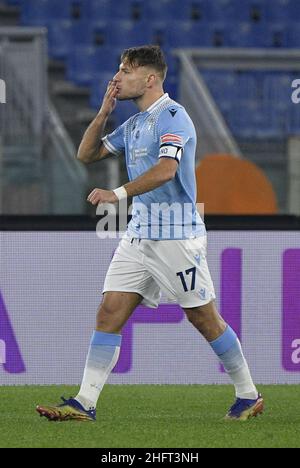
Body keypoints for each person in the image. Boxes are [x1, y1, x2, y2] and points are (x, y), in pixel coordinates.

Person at [36, 45, 263, 422]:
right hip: (140, 234)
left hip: (176, 235)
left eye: (125, 70)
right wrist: (104, 111)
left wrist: (117, 194)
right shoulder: (134, 123)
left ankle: (248, 394)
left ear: (150, 78)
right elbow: (86, 154)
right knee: (110, 311)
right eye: (119, 70)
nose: (117, 77)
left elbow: (166, 171)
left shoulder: (174, 117)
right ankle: (84, 403)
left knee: (204, 319)